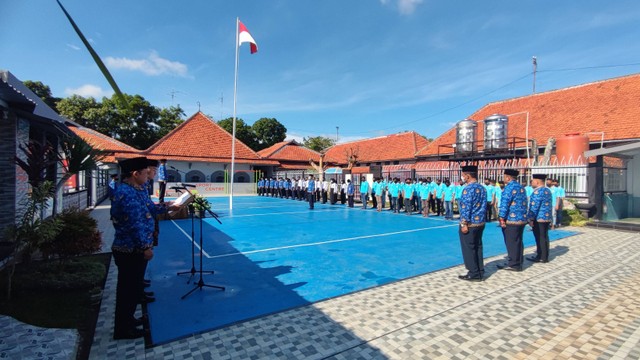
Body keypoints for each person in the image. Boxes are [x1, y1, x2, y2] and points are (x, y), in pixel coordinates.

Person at [110, 157, 162, 339]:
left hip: (134, 249)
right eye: (146, 173)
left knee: (132, 290)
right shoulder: (127, 193)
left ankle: (129, 320)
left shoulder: (135, 190)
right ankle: (123, 329)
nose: (148, 177)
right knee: (127, 291)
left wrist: (168, 207)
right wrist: (144, 247)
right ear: (135, 174)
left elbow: (149, 209)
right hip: (130, 250)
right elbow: (134, 223)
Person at [458, 165, 487, 282]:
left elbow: (466, 207)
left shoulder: (468, 189)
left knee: (469, 248)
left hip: (470, 223)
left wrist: (464, 223)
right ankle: (479, 270)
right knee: (478, 246)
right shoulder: (482, 188)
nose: (463, 177)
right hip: (480, 222)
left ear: (468, 176)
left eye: (464, 175)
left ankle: (473, 272)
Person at [496, 169, 528, 272]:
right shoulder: (521, 187)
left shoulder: (508, 188)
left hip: (511, 219)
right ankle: (518, 261)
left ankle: (514, 264)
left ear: (508, 177)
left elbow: (505, 203)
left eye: (504, 176)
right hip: (521, 219)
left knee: (511, 242)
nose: (504, 178)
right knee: (518, 241)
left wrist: (501, 217)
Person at [527, 174, 553, 263]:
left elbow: (534, 207)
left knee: (539, 237)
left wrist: (530, 219)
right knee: (545, 236)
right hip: (546, 217)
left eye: (533, 181)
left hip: (539, 218)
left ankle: (541, 256)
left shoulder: (537, 192)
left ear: (537, 182)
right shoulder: (547, 190)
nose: (532, 183)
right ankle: (545, 256)